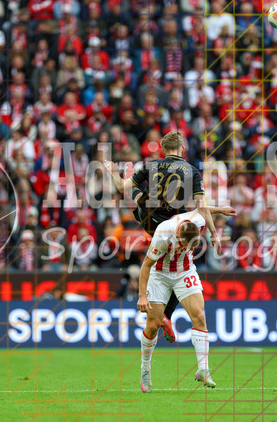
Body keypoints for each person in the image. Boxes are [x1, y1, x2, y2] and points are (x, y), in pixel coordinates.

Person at [104, 130, 229, 344]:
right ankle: (167, 314)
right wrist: (214, 234)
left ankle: (163, 315)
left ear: (162, 149)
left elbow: (120, 187)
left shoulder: (151, 165)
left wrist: (114, 173)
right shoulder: (191, 171)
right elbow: (201, 208)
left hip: (151, 224)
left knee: (137, 195)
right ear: (183, 149)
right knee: (181, 268)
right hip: (174, 226)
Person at [137, 209, 232, 392]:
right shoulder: (164, 232)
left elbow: (204, 208)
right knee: (153, 325)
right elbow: (146, 265)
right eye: (186, 245)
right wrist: (142, 296)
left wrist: (221, 210)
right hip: (160, 274)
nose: (189, 248)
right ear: (178, 237)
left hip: (184, 271)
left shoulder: (197, 220)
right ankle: (145, 369)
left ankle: (203, 369)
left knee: (199, 316)